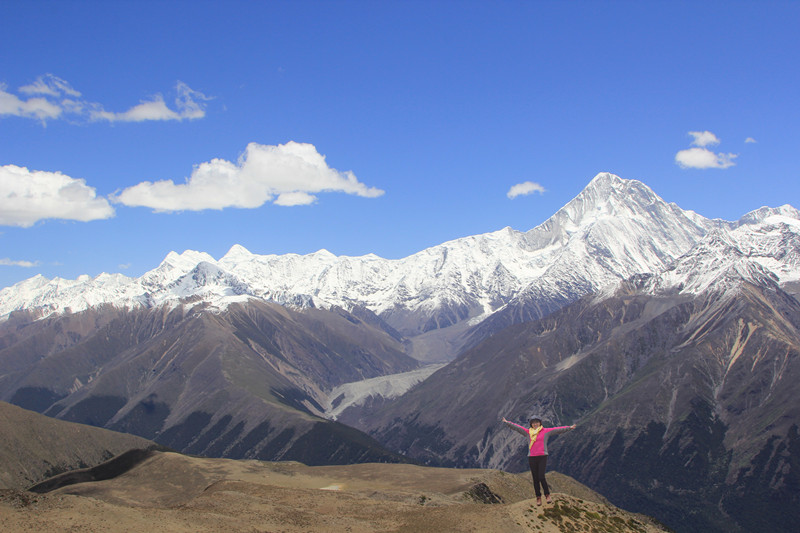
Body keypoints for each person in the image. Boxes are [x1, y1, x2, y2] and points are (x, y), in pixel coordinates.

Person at [502, 416, 576, 506]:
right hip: (532, 457)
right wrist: (507, 422)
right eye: (533, 423)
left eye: (537, 422)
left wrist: (569, 428)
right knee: (535, 479)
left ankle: (547, 494)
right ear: (531, 424)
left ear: (540, 423)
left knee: (541, 476)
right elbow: (517, 428)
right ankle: (538, 497)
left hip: (542, 456)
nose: (535, 424)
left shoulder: (546, 432)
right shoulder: (528, 433)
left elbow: (557, 430)